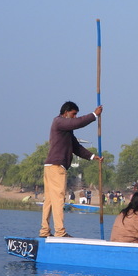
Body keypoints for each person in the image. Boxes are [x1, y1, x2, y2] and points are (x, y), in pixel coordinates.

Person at [40, 101, 103, 238]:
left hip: (52, 166)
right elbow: (77, 123)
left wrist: (93, 156)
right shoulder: (59, 121)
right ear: (66, 112)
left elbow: (76, 147)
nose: (75, 117)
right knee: (57, 199)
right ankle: (60, 232)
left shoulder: (66, 129)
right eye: (73, 114)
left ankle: (44, 231)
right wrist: (94, 115)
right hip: (56, 167)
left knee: (50, 200)